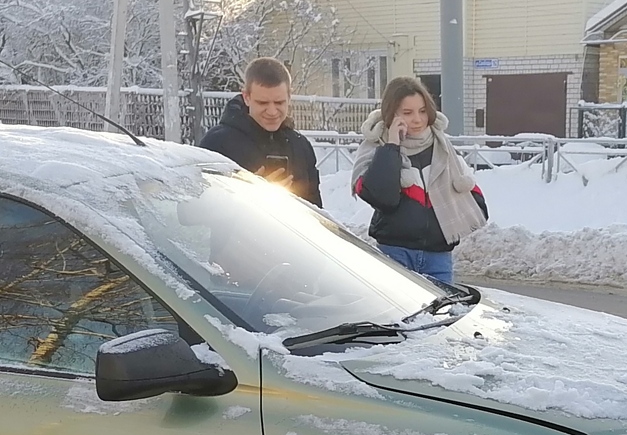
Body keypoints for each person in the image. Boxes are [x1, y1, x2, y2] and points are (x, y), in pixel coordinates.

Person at [354, 76, 487, 283]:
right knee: (398, 314)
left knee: (441, 314)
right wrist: (392, 146)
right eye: (407, 113)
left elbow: (474, 199)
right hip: (395, 253)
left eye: (423, 111)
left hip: (438, 256)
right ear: (392, 114)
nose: (417, 119)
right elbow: (382, 198)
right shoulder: (378, 146)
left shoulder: (442, 146)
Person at [197, 56, 322, 206]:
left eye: (279, 102)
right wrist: (248, 196)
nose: (272, 111)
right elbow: (191, 213)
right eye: (263, 103)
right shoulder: (217, 144)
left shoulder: (301, 146)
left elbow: (317, 214)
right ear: (246, 97)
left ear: (289, 97)